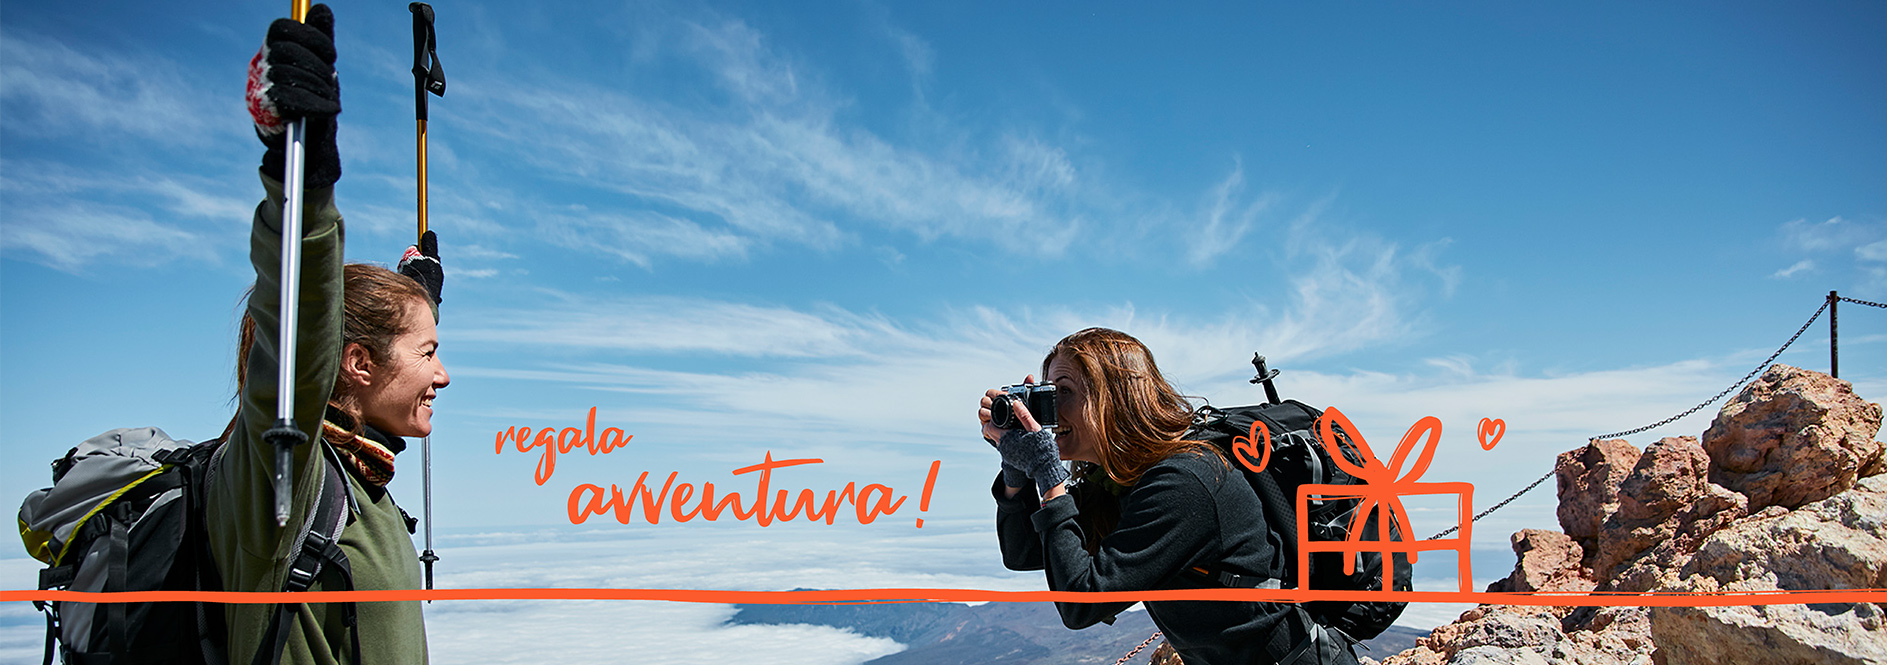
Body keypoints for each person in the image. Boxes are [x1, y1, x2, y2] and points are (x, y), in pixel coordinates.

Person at [206, 6, 446, 664]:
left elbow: (346, 338)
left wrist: (416, 304)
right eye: (429, 354)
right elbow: (300, 326)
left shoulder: (361, 476)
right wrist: (304, 184)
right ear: (357, 363)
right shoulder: (283, 483)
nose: (444, 373)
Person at [981, 328, 1355, 665]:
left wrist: (1048, 475)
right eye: (1046, 393)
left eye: (1064, 392)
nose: (1049, 411)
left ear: (1116, 399)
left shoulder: (1183, 480)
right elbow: (1024, 553)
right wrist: (1016, 471)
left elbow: (1082, 603)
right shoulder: (1119, 481)